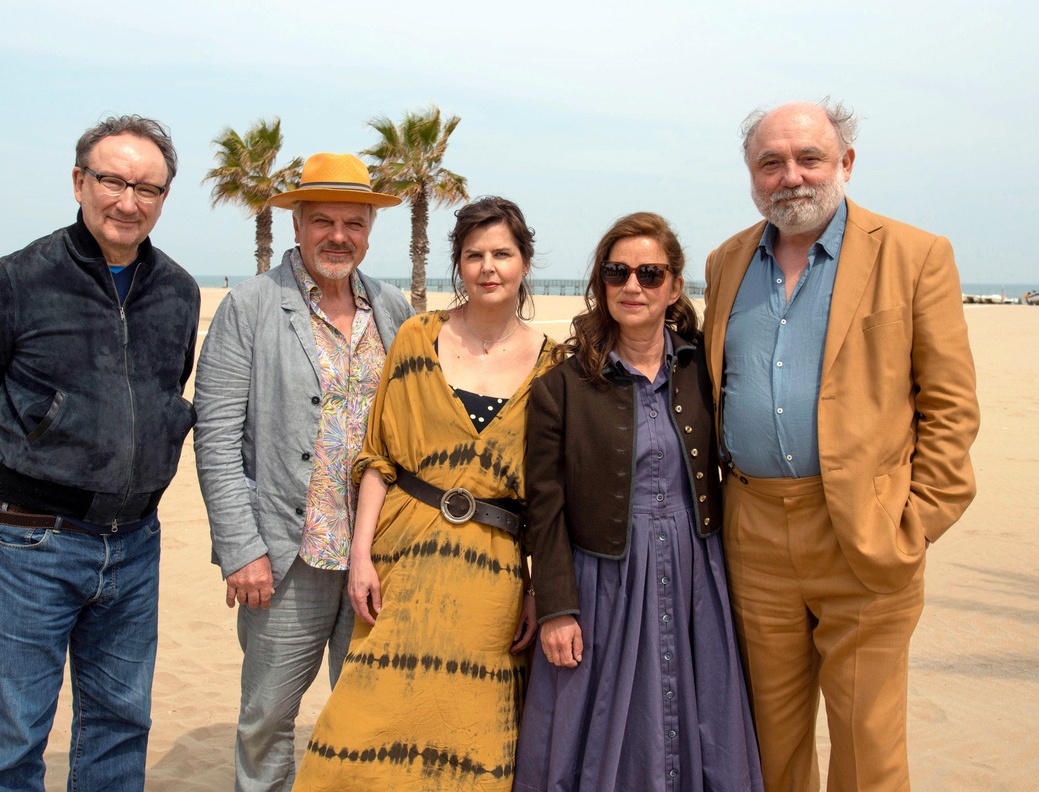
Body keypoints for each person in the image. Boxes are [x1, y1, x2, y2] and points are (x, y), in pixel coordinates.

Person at [703, 100, 980, 792]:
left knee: (867, 749)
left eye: (809, 159)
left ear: (845, 164)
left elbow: (950, 407)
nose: (790, 177)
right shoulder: (726, 261)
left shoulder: (917, 255)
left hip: (867, 534)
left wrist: (912, 524)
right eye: (770, 163)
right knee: (770, 742)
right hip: (754, 535)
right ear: (750, 174)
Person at [0, 115, 200, 790]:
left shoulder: (178, 292)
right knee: (14, 738)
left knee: (119, 726)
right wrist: (27, 483)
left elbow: (166, 393)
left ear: (164, 198)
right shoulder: (16, 282)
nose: (128, 201)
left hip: (136, 543)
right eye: (113, 180)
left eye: (149, 188)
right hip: (33, 544)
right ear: (81, 182)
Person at [293, 196, 555, 791]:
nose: (489, 267)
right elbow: (378, 457)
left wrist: (541, 587)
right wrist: (360, 557)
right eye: (474, 256)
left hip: (494, 575)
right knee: (365, 721)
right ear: (458, 265)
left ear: (524, 263)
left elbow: (549, 496)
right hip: (402, 557)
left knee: (473, 734)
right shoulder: (417, 336)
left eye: (502, 254)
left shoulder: (552, 365)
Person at [514, 213, 763, 791]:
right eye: (617, 272)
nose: (633, 286)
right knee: (599, 728)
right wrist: (555, 606)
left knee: (705, 720)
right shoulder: (563, 386)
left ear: (675, 287)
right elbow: (544, 508)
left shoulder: (707, 368)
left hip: (697, 572)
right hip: (603, 581)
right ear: (601, 285)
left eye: (650, 274)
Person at [193, 152, 413, 792]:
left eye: (353, 222)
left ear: (370, 230)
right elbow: (216, 435)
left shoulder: (394, 310)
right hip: (285, 559)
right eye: (322, 220)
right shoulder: (252, 306)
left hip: (375, 558)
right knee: (267, 719)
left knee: (363, 714)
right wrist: (241, 549)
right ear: (296, 225)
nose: (338, 236)